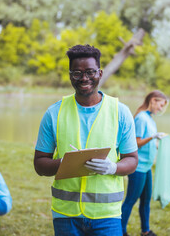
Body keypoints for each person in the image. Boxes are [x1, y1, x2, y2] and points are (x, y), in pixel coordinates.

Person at [34, 44, 138, 236]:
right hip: (66, 215)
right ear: (69, 75)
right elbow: (39, 164)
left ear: (99, 73)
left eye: (90, 72)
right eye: (77, 73)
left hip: (107, 216)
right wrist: (63, 164)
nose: (84, 78)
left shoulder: (120, 112)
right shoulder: (54, 113)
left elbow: (132, 160)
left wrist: (113, 167)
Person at [121, 90, 168, 236]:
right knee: (131, 200)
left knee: (146, 200)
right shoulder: (141, 118)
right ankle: (120, 231)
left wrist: (161, 145)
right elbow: (136, 143)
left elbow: (149, 142)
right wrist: (153, 137)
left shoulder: (150, 118)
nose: (161, 109)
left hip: (147, 167)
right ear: (153, 101)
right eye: (160, 105)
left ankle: (145, 231)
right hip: (138, 167)